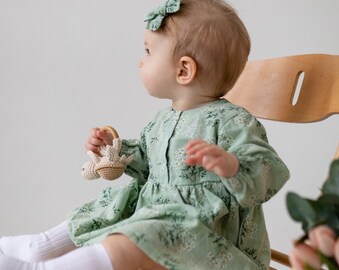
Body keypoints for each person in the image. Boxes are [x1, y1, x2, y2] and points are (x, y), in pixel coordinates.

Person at [0, 0, 290, 269]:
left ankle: (42, 267)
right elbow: (150, 162)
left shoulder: (233, 121)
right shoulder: (163, 120)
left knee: (146, 231)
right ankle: (42, 246)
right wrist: (116, 151)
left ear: (184, 70)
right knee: (113, 205)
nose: (141, 61)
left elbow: (270, 168)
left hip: (207, 239)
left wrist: (232, 166)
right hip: (159, 217)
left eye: (149, 52)